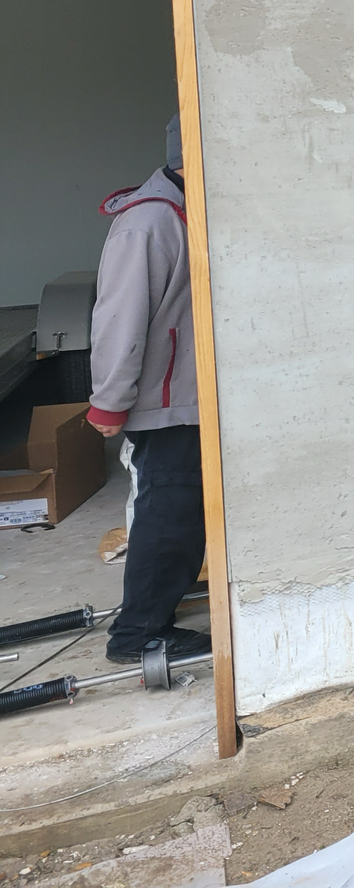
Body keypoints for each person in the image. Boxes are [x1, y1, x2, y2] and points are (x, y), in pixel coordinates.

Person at [85, 115, 210, 665]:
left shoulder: (186, 208)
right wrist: (110, 400)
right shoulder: (150, 223)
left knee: (185, 510)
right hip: (163, 404)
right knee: (170, 512)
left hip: (189, 396)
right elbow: (119, 317)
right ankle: (138, 635)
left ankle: (162, 604)